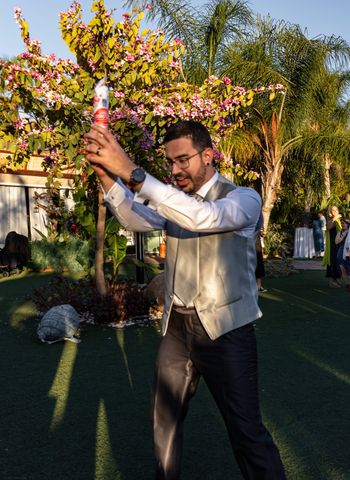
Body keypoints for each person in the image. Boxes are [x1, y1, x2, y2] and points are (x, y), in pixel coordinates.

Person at [83, 120, 286, 479]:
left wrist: (130, 170)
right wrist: (105, 175)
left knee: (246, 432)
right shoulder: (175, 199)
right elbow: (135, 217)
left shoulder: (243, 198)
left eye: (183, 160)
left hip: (226, 330)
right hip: (177, 327)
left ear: (208, 155)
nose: (175, 170)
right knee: (164, 420)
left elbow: (201, 218)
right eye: (170, 163)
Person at [323, 205, 343, 288]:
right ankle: (332, 281)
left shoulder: (339, 220)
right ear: (330, 212)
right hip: (332, 245)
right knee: (333, 262)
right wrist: (335, 218)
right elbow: (328, 227)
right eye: (332, 211)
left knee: (337, 262)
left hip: (338, 244)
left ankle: (335, 280)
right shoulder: (331, 220)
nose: (334, 212)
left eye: (335, 210)